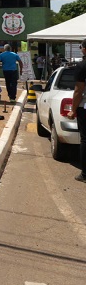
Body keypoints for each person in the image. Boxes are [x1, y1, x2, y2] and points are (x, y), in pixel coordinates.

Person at [66, 39, 86, 182]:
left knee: (85, 139)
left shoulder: (82, 66)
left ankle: (85, 174)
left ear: (84, 49)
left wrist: (73, 110)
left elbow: (78, 91)